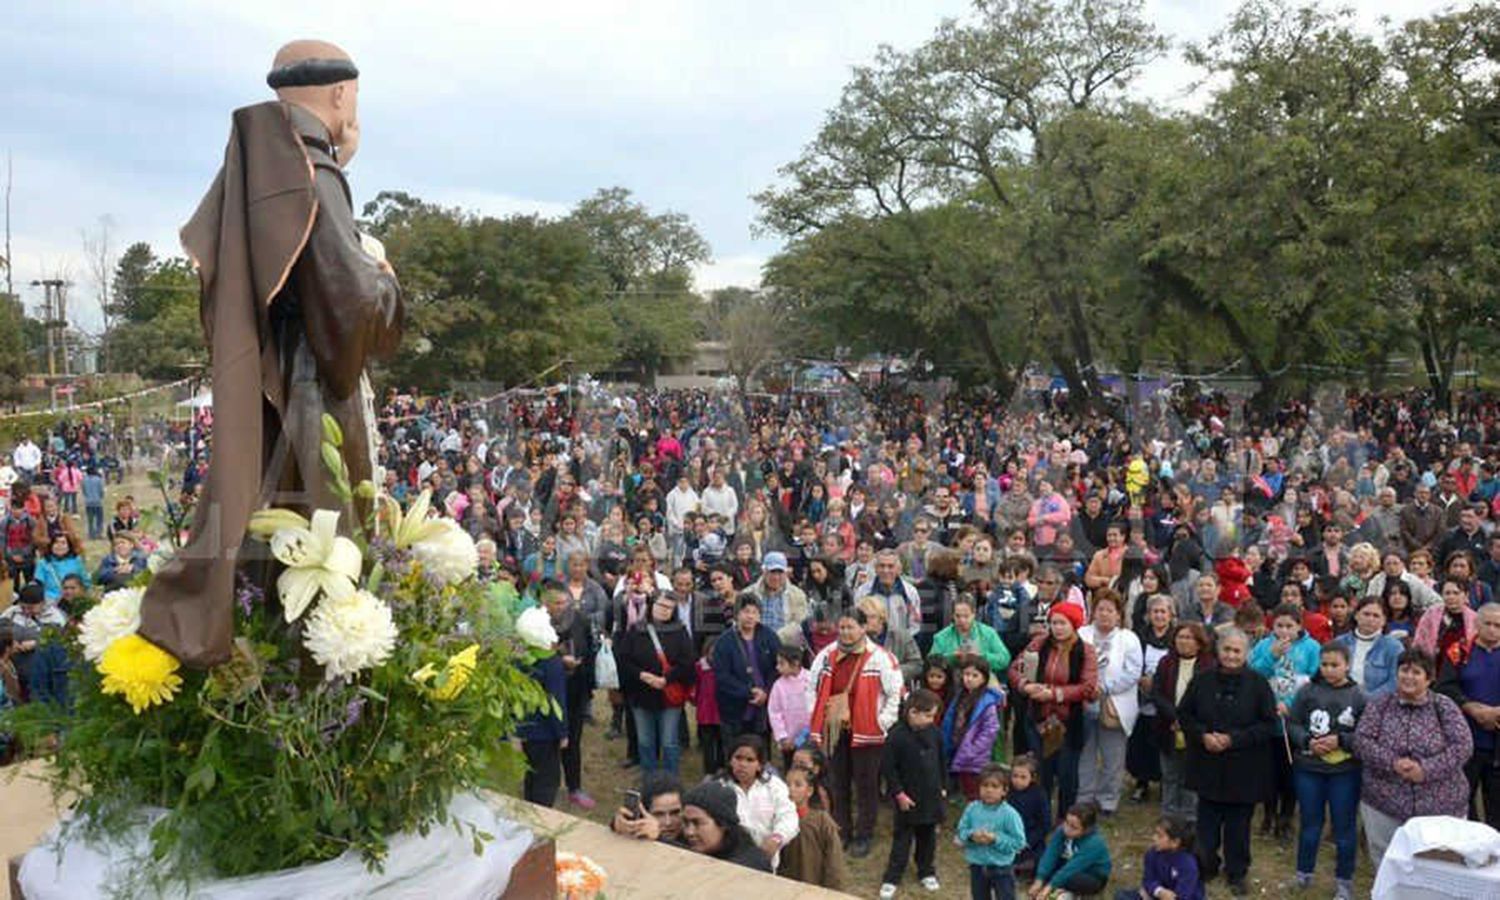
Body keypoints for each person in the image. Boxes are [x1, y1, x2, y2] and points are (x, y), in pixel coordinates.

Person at [139, 40, 403, 670]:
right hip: (312, 407)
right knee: (321, 579)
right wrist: (386, 275)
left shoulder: (264, 162)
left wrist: (340, 165)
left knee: (268, 555)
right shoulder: (314, 174)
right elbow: (350, 313)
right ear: (341, 94)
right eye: (354, 100)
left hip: (270, 398)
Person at [1176, 628, 1277, 896]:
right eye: (1227, 650)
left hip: (1244, 767)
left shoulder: (1258, 684)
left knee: (1238, 828)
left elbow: (1268, 724)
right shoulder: (1202, 680)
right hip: (1207, 763)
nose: (1231, 656)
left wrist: (1234, 739)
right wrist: (1202, 735)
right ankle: (1206, 866)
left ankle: (1236, 872)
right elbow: (1184, 714)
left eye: (1237, 651)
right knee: (1206, 825)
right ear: (1218, 651)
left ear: (1245, 654)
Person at [1355, 648, 1473, 865]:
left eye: (1416, 672)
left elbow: (1463, 745)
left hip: (1440, 806)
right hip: (1384, 801)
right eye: (1404, 670)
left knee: (1434, 866)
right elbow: (1362, 741)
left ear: (1429, 679)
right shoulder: (1380, 705)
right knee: (1387, 860)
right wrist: (1393, 763)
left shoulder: (1444, 706)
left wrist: (1425, 770)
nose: (1408, 677)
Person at [807, 606, 904, 859]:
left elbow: (896, 692)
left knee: (866, 784)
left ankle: (864, 834)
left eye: (851, 627)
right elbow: (811, 687)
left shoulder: (880, 657)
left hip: (867, 732)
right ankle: (842, 830)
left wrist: (882, 722)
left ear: (864, 628)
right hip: (835, 727)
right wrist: (814, 716)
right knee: (838, 782)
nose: (846, 632)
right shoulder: (826, 654)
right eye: (842, 627)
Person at [1286, 643, 1365, 899]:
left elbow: (1366, 735)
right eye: (1325, 665)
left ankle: (1344, 881)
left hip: (1345, 772)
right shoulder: (1308, 691)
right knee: (1310, 823)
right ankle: (1303, 874)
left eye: (1335, 665)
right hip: (1309, 768)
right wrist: (1307, 741)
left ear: (1347, 665)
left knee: (1344, 827)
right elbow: (1293, 723)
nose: (1329, 670)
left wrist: (1342, 741)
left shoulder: (1360, 696)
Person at [1007, 603, 1099, 817]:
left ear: (1074, 625)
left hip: (1070, 720)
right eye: (1054, 622)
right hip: (1039, 717)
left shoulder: (1086, 650)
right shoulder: (1039, 644)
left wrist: (1055, 694)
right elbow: (1015, 669)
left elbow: (1088, 686)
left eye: (1062, 623)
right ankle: (1040, 814)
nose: (1057, 628)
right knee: (1041, 770)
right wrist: (1025, 686)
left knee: (1068, 774)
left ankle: (1065, 817)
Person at [1248, 604, 1322, 839]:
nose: (1284, 631)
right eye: (1279, 625)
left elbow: (1313, 679)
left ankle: (1286, 816)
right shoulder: (1263, 645)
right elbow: (1254, 674)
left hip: (1294, 718)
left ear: (1299, 626)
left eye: (1290, 626)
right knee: (1269, 770)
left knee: (1290, 770)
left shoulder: (1311, 648)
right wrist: (1272, 656)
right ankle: (1268, 814)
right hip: (1269, 717)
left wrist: (1291, 705)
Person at [1076, 590, 1143, 816]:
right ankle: (1084, 797)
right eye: (1100, 609)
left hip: (1115, 704)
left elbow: (1133, 672)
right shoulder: (1081, 634)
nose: (1104, 614)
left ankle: (1107, 800)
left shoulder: (1128, 638)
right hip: (1083, 702)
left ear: (1118, 614)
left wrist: (1104, 688)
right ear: (1093, 611)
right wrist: (1087, 688)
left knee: (1113, 755)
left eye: (1110, 610)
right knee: (1085, 752)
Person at [879, 687, 947, 899]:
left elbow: (941, 761)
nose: (930, 720)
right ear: (912, 712)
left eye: (932, 716)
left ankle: (926, 871)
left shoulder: (934, 733)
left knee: (928, 837)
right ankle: (892, 877)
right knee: (902, 839)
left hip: (931, 796)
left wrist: (943, 786)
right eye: (927, 715)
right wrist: (899, 794)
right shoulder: (896, 736)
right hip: (907, 799)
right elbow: (889, 769)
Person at [617, 590, 695, 776]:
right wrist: (642, 675)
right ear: (652, 605)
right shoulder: (636, 629)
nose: (664, 610)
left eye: (669, 608)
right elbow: (624, 659)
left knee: (669, 740)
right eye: (660, 605)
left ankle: (670, 778)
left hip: (668, 695)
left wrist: (666, 679)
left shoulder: (680, 631)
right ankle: (649, 777)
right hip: (641, 693)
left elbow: (687, 662)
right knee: (645, 740)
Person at [1437, 602, 1500, 829]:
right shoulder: (1459, 651)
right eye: (1488, 624)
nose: (1493, 629)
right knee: (1463, 802)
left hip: (1497, 744)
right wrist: (1471, 707)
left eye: (1498, 625)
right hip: (1466, 739)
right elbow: (1444, 688)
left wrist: (1495, 713)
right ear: (1476, 623)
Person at [541, 579, 596, 809]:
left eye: (566, 602)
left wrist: (584, 674)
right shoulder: (536, 623)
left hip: (575, 689)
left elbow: (591, 649)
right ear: (546, 604)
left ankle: (574, 787)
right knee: (547, 741)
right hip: (546, 690)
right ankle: (543, 786)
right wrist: (558, 660)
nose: (563, 607)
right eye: (557, 603)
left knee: (573, 740)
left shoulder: (580, 619)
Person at [717, 735, 799, 869]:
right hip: (729, 861)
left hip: (765, 861)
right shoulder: (720, 788)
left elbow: (788, 816)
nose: (743, 764)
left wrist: (777, 838)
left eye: (750, 760)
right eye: (738, 758)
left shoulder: (774, 787)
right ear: (730, 761)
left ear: (760, 765)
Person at [712, 595, 781, 754]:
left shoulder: (769, 636)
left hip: (763, 705)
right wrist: (748, 692)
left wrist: (766, 692)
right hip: (734, 707)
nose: (750, 616)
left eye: (755, 612)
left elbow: (777, 667)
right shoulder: (724, 641)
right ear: (737, 614)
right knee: (735, 750)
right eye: (746, 611)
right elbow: (722, 676)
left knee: (761, 750)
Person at [957, 763, 1029, 900]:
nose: (989, 790)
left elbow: (1019, 842)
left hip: (1002, 868)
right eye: (985, 785)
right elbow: (961, 831)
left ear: (1004, 790)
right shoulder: (972, 808)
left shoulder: (1009, 814)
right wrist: (972, 836)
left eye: (995, 786)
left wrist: (996, 839)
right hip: (977, 866)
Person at [1128, 595, 1175, 803]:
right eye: (1155, 611)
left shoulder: (1176, 637)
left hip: (1166, 696)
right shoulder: (1139, 636)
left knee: (1164, 741)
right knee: (1142, 741)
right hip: (1141, 696)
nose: (1159, 615)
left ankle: (1166, 782)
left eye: (1163, 611)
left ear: (1171, 615)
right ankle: (1142, 781)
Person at [778, 765, 849, 891]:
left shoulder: (821, 821)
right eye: (787, 784)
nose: (790, 789)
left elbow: (834, 862)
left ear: (809, 791)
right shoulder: (778, 819)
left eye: (797, 785)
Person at [944, 656, 1005, 799]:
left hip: (975, 756)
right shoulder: (960, 696)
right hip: (959, 747)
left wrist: (972, 750)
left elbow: (990, 730)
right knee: (965, 788)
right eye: (966, 674)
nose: (969, 679)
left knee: (975, 791)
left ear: (984, 678)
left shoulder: (987, 702)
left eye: (974, 675)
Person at [680, 780, 773, 872]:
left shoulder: (750, 867)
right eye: (685, 823)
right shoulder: (682, 848)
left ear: (723, 824)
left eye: (697, 823)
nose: (689, 832)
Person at [516, 645, 567, 807]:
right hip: (545, 733)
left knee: (531, 776)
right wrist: (562, 732)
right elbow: (555, 701)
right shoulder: (552, 663)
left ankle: (529, 808)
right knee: (546, 780)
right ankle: (541, 816)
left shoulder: (521, 659)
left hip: (526, 727)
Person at [1028, 803, 1112, 899]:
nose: (1067, 829)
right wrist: (1039, 879)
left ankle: (1067, 893)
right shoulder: (1061, 831)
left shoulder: (1094, 843)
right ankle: (1059, 886)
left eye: (1074, 827)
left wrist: (1049, 887)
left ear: (1086, 830)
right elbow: (1051, 853)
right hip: (1068, 862)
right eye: (1066, 822)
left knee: (1072, 879)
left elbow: (1072, 868)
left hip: (1091, 874)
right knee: (1040, 860)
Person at [1114, 817, 1203, 900]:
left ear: (1175, 842)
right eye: (1155, 833)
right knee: (1121, 895)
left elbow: (1184, 895)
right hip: (1159, 895)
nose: (1154, 838)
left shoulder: (1188, 864)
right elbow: (1148, 880)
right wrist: (1158, 891)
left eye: (1160, 836)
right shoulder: (1152, 853)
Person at [1331, 597, 1403, 696]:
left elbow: (1395, 682)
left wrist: (1367, 700)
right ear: (1356, 615)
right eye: (1366, 614)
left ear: (1384, 620)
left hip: (1379, 705)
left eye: (1376, 616)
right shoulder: (1339, 643)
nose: (1370, 619)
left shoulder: (1394, 647)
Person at [932, 594, 1013, 678]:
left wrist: (981, 656)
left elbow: (1005, 659)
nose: (962, 620)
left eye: (966, 616)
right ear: (952, 615)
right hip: (951, 681)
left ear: (974, 614)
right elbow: (931, 662)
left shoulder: (989, 633)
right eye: (957, 616)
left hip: (983, 681)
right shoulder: (941, 636)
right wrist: (952, 657)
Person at [858, 595, 924, 685]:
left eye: (872, 617)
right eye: (864, 618)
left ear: (881, 618)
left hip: (896, 687)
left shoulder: (902, 636)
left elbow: (917, 665)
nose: (867, 621)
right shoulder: (855, 638)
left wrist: (892, 672)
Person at [1413, 576, 1478, 667]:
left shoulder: (1475, 619)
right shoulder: (1431, 614)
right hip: (1434, 666)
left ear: (1466, 595)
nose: (1451, 597)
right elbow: (1419, 643)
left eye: (1456, 593)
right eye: (1447, 593)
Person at [768, 645, 812, 772]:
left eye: (781, 663)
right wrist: (782, 737)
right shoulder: (778, 686)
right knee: (791, 768)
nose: (777, 667)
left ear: (796, 663)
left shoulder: (811, 679)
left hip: (810, 736)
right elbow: (774, 712)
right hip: (790, 740)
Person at [609, 773, 686, 844]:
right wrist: (618, 824)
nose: (668, 822)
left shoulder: (693, 834)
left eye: (675, 813)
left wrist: (658, 838)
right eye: (659, 814)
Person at [1008, 756, 1051, 880]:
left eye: (1023, 777)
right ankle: (1013, 866)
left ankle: (1025, 866)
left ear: (1032, 777)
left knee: (1040, 860)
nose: (1018, 781)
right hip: (1009, 836)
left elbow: (1045, 824)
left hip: (1031, 838)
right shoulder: (1007, 792)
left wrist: (1028, 841)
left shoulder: (1039, 794)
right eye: (1015, 776)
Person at [32, 534, 89, 602]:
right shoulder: (43, 563)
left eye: (63, 543)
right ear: (51, 545)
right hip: (51, 600)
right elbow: (39, 584)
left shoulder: (76, 561)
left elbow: (85, 581)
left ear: (68, 546)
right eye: (56, 542)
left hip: (74, 599)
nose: (59, 546)